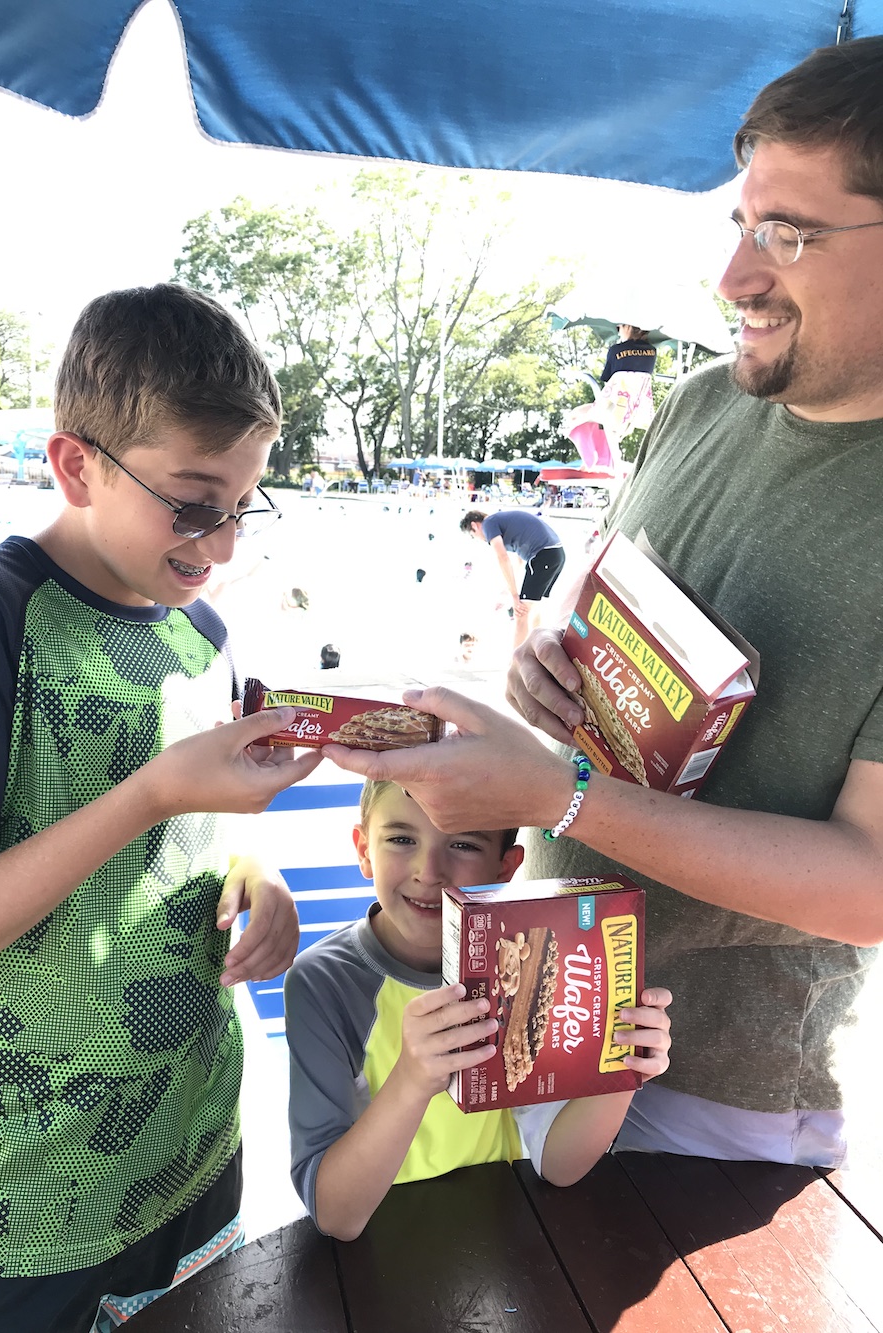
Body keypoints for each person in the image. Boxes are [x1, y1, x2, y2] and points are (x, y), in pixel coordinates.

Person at [324, 36, 883, 1172]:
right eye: (740, 224)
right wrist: (549, 676)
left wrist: (559, 793)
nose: (733, 277)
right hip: (533, 1010)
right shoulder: (697, 406)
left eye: (786, 234)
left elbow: (868, 885)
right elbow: (597, 628)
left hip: (718, 1094)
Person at [0, 283, 323, 1333]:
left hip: (197, 1160)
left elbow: (197, 829)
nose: (222, 544)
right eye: (193, 502)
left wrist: (257, 879)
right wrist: (150, 795)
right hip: (13, 1211)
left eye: (244, 503)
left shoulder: (201, 632)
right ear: (76, 465)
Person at [284, 780, 672, 1240]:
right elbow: (334, 1215)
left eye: (464, 844)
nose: (429, 871)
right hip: (376, 1253)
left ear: (507, 866)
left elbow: (560, 1166)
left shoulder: (520, 961)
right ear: (364, 849)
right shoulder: (323, 983)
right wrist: (412, 1080)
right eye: (402, 839)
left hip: (506, 1236)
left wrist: (623, 1070)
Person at [459, 508, 565, 649]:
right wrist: (508, 593)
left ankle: (516, 661)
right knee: (533, 609)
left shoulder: (488, 523)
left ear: (474, 525)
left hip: (543, 555)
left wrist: (515, 597)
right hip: (555, 554)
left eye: (473, 535)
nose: (478, 539)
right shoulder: (503, 523)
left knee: (521, 612)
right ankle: (538, 651)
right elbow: (519, 562)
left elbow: (502, 558)